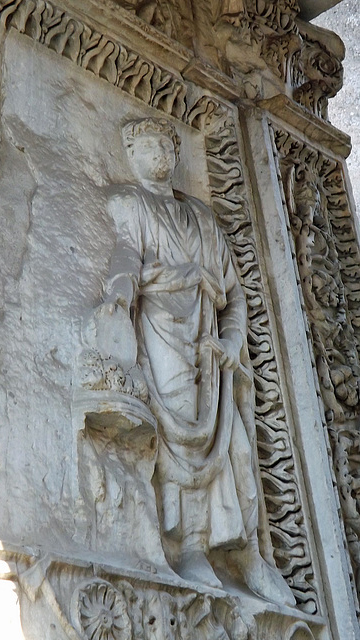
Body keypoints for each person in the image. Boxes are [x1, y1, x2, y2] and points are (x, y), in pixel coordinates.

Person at [102, 117, 295, 605]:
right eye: (147, 147)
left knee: (237, 451)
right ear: (131, 155)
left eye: (165, 145)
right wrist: (118, 296)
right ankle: (188, 548)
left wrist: (232, 342)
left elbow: (234, 295)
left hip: (209, 347)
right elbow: (126, 256)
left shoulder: (204, 221)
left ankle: (246, 552)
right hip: (164, 334)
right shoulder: (131, 204)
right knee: (179, 441)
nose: (158, 154)